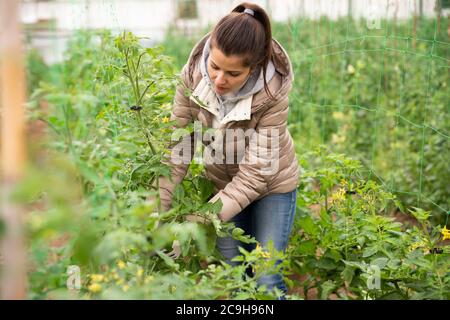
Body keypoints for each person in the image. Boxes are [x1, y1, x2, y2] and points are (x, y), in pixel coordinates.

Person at [157, 2, 299, 297]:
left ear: (255, 67)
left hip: (271, 186)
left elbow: (256, 176)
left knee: (264, 279)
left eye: (233, 74)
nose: (219, 80)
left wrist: (198, 223)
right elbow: (178, 150)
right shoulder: (192, 78)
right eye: (215, 67)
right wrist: (159, 214)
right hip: (223, 186)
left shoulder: (272, 94)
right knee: (234, 279)